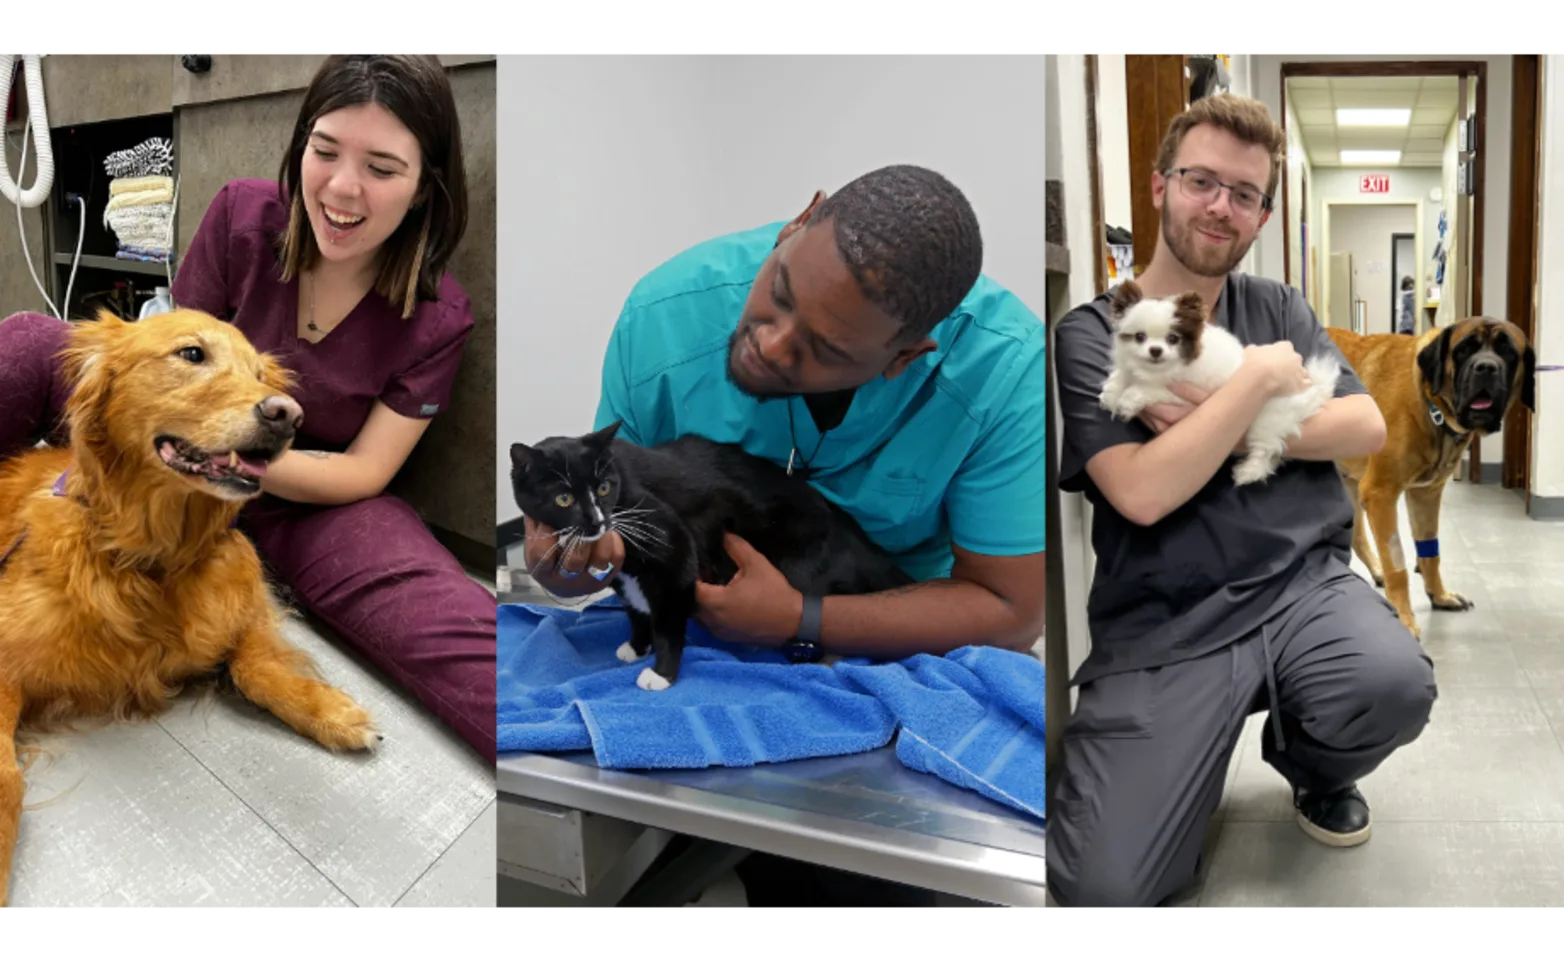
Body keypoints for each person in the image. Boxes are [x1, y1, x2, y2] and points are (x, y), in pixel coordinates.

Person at [520, 163, 1048, 910]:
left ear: (906, 358)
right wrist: (567, 567)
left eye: (824, 352)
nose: (771, 343)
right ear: (800, 222)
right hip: (690, 634)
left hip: (883, 626)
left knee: (864, 884)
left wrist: (802, 619)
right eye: (780, 293)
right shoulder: (664, 316)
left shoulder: (1006, 375)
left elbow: (1011, 611)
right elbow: (601, 555)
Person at [0, 50, 497, 765]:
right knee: (27, 340)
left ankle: (561, 746)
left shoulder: (439, 316)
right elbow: (179, 352)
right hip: (169, 448)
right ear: (300, 150)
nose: (344, 189)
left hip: (312, 493)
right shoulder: (242, 213)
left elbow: (364, 472)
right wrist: (172, 450)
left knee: (443, 619)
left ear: (424, 188)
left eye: (383, 169)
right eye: (324, 153)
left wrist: (235, 461)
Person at [1048, 94, 1438, 912]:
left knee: (1393, 681)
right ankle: (1184, 760)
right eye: (1201, 182)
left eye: (1245, 194)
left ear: (1262, 214)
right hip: (1168, 621)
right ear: (1159, 187)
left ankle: (1310, 766)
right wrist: (1262, 380)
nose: (1221, 207)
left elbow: (1365, 424)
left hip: (1303, 587)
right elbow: (1144, 493)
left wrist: (1209, 419)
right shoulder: (1097, 331)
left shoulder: (1282, 308)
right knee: (1103, 890)